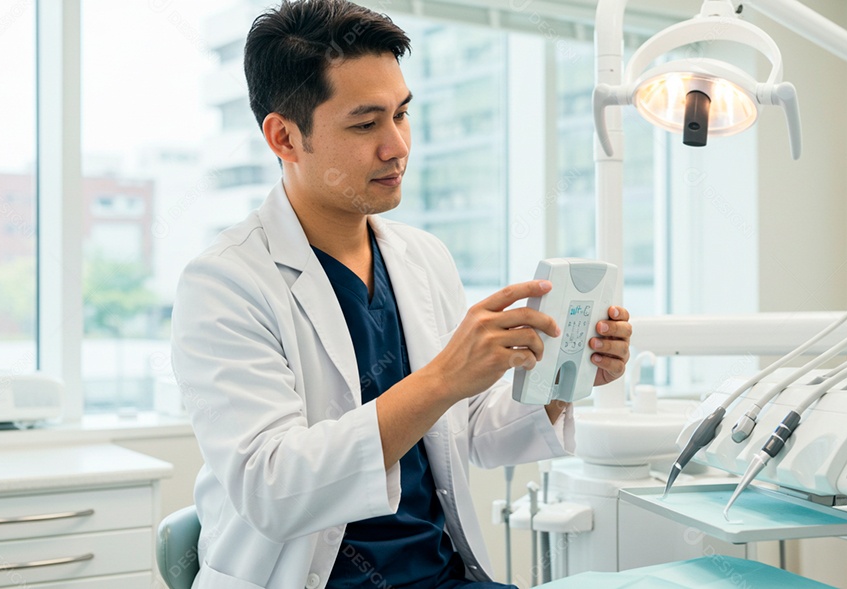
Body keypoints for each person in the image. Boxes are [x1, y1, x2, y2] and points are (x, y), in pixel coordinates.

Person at [170, 1, 633, 588]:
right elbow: (273, 489)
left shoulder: (422, 256)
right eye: (366, 125)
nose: (397, 146)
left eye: (402, 114)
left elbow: (469, 431)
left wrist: (563, 378)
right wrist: (444, 378)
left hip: (441, 576)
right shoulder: (224, 283)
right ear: (284, 137)